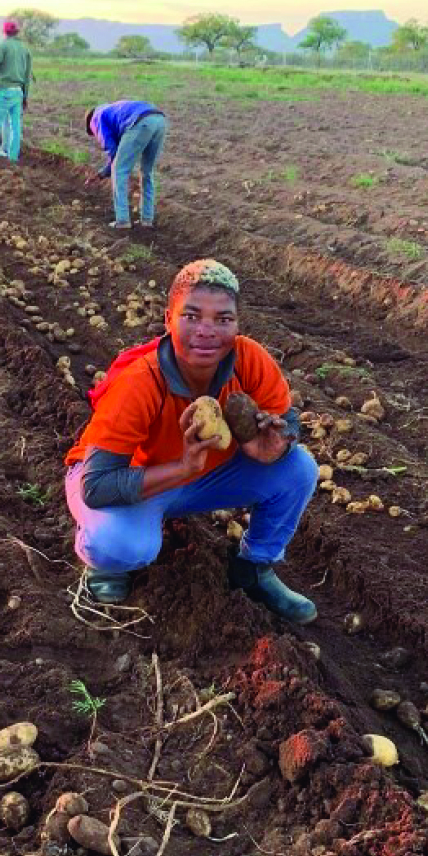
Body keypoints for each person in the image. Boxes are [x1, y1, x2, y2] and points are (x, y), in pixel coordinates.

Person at [64, 259, 318, 623]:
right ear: (169, 319)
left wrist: (280, 443)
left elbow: (288, 420)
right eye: (192, 316)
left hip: (201, 477)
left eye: (223, 319)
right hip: (126, 479)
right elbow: (97, 485)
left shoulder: (249, 359)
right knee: (119, 545)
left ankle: (255, 567)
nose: (207, 331)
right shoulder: (140, 382)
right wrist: (183, 467)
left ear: (237, 323)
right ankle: (105, 567)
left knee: (299, 469)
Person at [85, 100, 166, 229]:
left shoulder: (96, 118)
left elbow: (112, 151)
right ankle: (147, 220)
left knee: (119, 171)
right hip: (159, 119)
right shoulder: (111, 110)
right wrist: (102, 174)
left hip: (139, 122)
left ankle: (122, 221)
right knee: (147, 172)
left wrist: (103, 173)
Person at [0, 20, 31, 161]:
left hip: (4, 89)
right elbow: (27, 76)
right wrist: (25, 97)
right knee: (15, 124)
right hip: (18, 91)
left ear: (4, 32)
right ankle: (13, 156)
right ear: (17, 32)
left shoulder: (3, 45)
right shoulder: (25, 49)